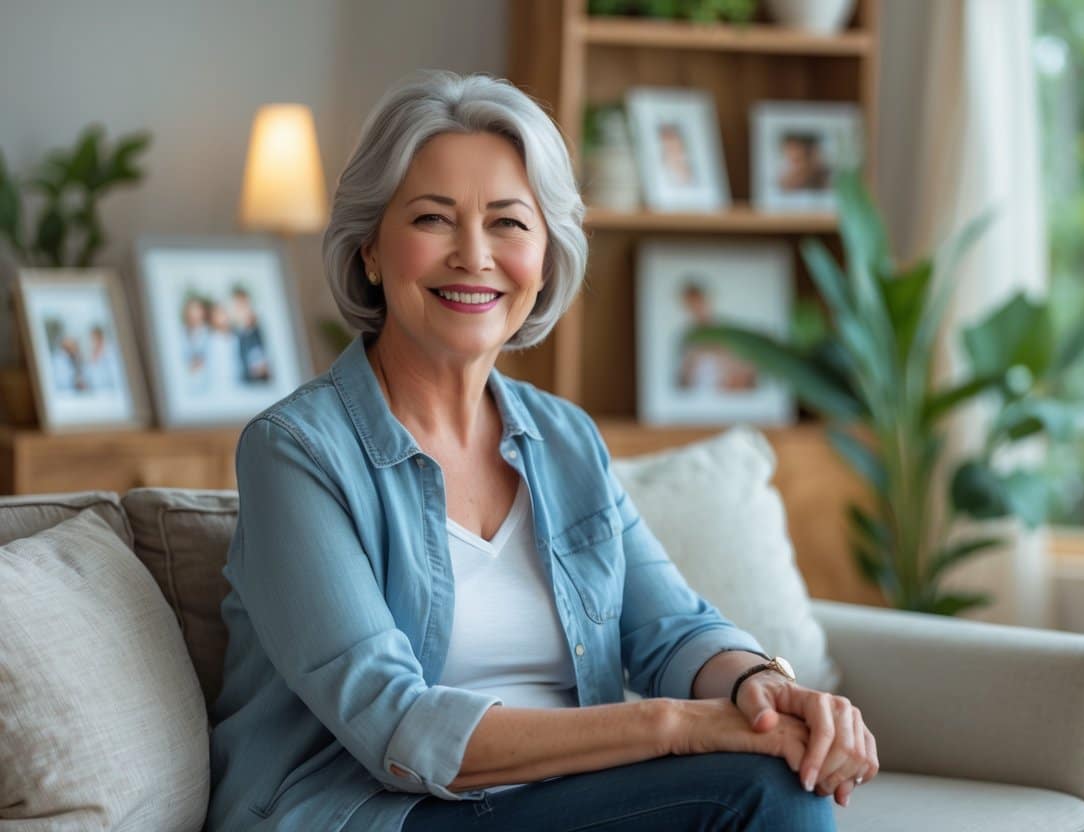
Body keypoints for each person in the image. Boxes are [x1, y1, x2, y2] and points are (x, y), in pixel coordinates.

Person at [206, 70, 877, 832]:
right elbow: (395, 727)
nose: (473, 255)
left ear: (546, 255)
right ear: (368, 247)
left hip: (557, 805)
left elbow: (670, 629)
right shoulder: (295, 452)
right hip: (374, 813)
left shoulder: (562, 439)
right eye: (432, 219)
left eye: (507, 223)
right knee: (760, 792)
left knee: (782, 780)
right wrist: (676, 727)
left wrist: (763, 686)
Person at [228, 286, 271, 383]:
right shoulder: (233, 334)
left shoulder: (259, 332)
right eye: (237, 306)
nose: (240, 311)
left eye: (243, 305)